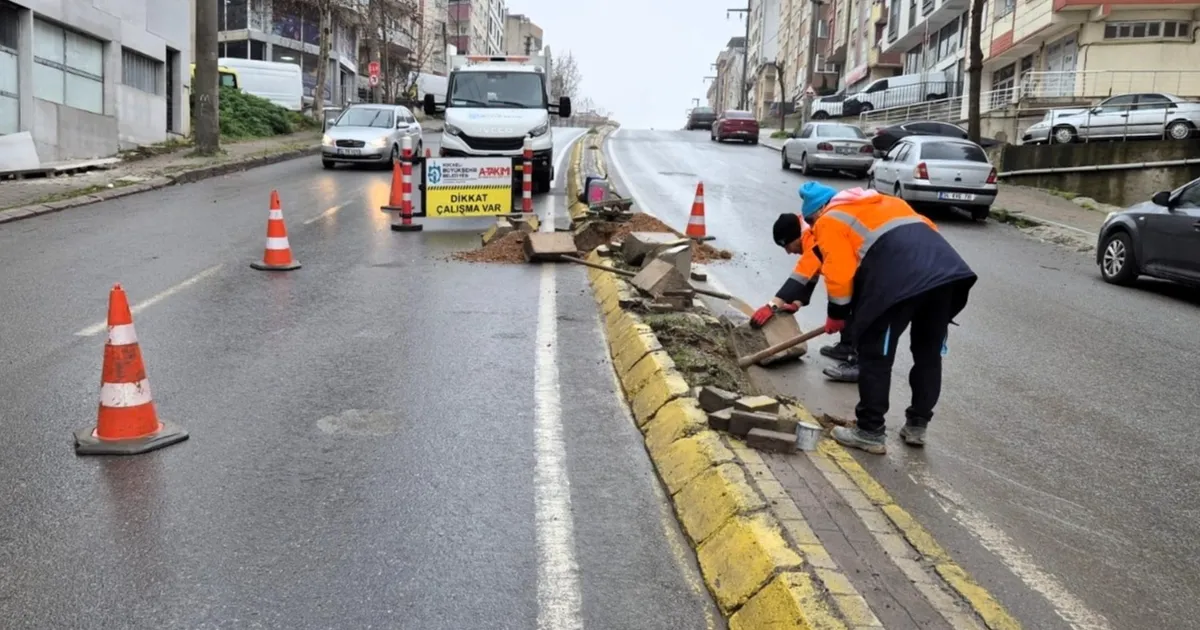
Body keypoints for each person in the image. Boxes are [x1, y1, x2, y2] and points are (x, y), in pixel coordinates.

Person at [797, 181, 977, 454]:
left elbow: (840, 271)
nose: (813, 228)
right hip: (946, 276)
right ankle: (917, 425)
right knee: (928, 354)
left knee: (876, 356)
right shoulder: (887, 202)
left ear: (817, 211)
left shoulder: (829, 219)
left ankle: (870, 431)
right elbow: (925, 233)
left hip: (899, 284)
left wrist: (838, 313)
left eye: (811, 222)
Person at [752, 197, 857, 382]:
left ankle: (858, 362)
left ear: (796, 238)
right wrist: (797, 302)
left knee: (859, 308)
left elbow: (801, 275)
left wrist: (772, 305)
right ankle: (846, 346)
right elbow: (812, 275)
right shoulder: (808, 232)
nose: (788, 252)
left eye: (788, 246)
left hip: (864, 269)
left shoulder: (812, 237)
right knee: (845, 300)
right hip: (852, 271)